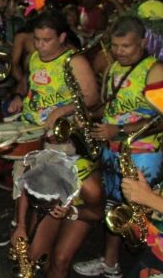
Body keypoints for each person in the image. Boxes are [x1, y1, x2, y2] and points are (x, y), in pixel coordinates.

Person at [74, 16, 163, 278]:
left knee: (146, 219)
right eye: (115, 46)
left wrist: (120, 130)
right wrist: (90, 116)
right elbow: (109, 107)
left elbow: (161, 120)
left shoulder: (154, 71)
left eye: (127, 46)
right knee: (115, 210)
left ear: (143, 43)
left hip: (143, 155)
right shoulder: (114, 68)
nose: (120, 51)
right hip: (113, 151)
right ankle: (110, 263)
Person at [4, 10, 99, 251]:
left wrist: (61, 111)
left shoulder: (73, 61)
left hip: (58, 138)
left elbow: (92, 97)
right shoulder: (35, 57)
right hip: (31, 130)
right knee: (23, 180)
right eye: (36, 39)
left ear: (62, 37)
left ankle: (38, 238)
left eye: (46, 40)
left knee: (46, 188)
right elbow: (29, 84)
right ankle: (21, 226)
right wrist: (18, 96)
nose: (40, 45)